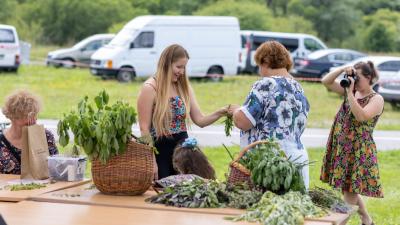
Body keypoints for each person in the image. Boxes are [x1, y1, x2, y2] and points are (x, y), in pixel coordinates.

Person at [137, 44, 228, 179]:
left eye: (184, 67)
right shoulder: (150, 88)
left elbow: (200, 120)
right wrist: (151, 161)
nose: (182, 72)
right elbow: (144, 128)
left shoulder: (184, 87)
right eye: (178, 67)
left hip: (184, 153)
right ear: (166, 64)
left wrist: (221, 112)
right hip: (160, 152)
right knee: (163, 192)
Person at [229, 41, 310, 188]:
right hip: (297, 158)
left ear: (265, 61)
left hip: (271, 165)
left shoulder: (266, 84)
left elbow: (243, 122)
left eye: (259, 65)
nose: (259, 71)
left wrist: (235, 111)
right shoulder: (298, 87)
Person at [320, 62, 384, 225]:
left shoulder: (377, 99)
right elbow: (325, 81)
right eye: (353, 76)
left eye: (358, 77)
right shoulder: (352, 90)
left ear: (369, 78)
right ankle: (367, 220)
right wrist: (343, 70)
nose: (354, 80)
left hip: (358, 151)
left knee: (350, 194)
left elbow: (361, 116)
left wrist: (349, 92)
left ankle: (337, 222)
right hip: (342, 148)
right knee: (347, 188)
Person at [0, 90, 58, 174]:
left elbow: (56, 168)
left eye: (35, 115)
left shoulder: (45, 136)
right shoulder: (1, 143)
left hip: (43, 186)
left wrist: (34, 138)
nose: (34, 119)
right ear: (14, 117)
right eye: (28, 116)